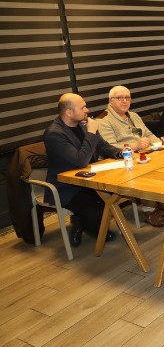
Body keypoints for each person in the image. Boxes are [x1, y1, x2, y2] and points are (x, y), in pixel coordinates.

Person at [44, 93, 121, 247]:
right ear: (69, 112)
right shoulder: (54, 134)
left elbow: (103, 146)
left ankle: (82, 220)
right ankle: (82, 222)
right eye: (83, 107)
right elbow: (81, 160)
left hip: (90, 179)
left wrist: (120, 153)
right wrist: (91, 132)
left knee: (118, 197)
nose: (87, 110)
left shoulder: (82, 124)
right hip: (68, 186)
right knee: (98, 210)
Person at [98, 86, 164, 227]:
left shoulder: (133, 116)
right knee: (147, 172)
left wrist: (162, 144)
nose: (124, 101)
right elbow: (109, 148)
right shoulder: (103, 120)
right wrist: (135, 146)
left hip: (141, 155)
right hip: (119, 161)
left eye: (127, 98)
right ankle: (150, 211)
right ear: (111, 101)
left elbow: (147, 134)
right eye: (120, 98)